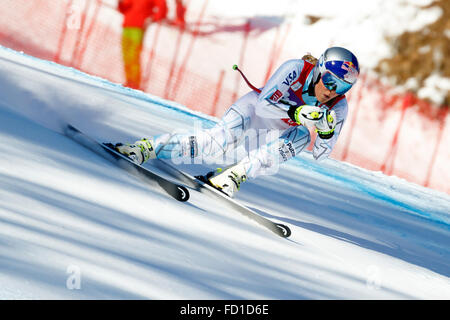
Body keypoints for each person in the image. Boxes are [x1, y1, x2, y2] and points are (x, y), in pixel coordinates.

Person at [114, 47, 360, 197]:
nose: (332, 91)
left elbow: (321, 155)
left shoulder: (338, 106)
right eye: (329, 80)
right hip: (252, 110)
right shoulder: (297, 69)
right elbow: (264, 103)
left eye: (343, 86)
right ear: (319, 70)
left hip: (271, 135)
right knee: (214, 144)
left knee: (303, 137)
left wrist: (326, 133)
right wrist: (297, 113)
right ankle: (144, 148)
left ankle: (232, 176)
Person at [118, 0, 168, 90]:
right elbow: (124, 8)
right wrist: (120, 3)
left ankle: (135, 83)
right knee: (126, 54)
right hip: (127, 25)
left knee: (133, 55)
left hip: (138, 27)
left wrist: (153, 18)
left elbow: (162, 8)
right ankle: (129, 81)